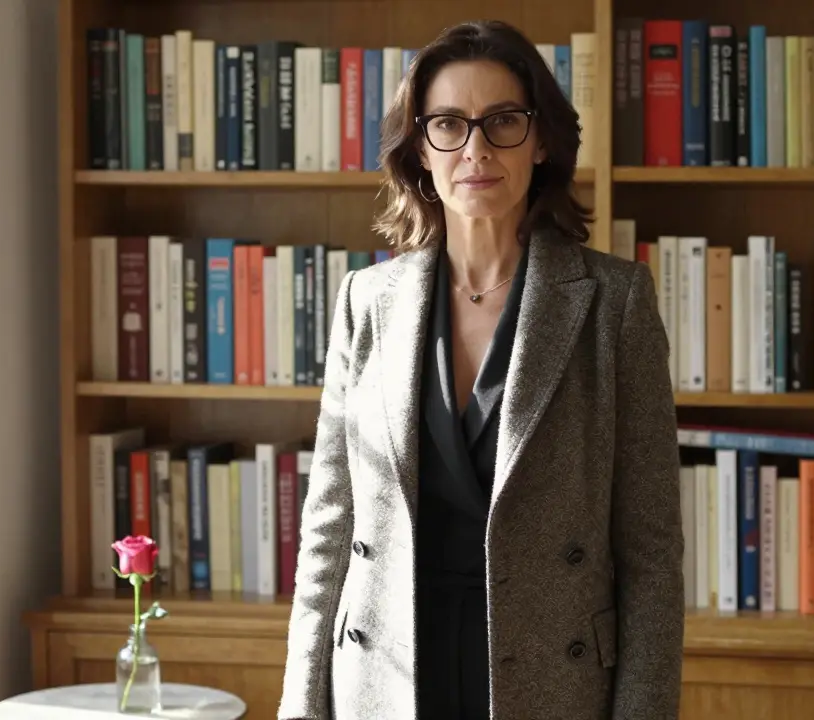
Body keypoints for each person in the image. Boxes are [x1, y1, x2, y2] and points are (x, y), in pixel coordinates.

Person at [278, 19, 683, 720]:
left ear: (542, 138)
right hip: (387, 673)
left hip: (552, 678)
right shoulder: (365, 301)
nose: (475, 149)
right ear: (420, 150)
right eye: (448, 124)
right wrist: (300, 708)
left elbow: (651, 556)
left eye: (502, 121)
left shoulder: (615, 304)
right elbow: (329, 530)